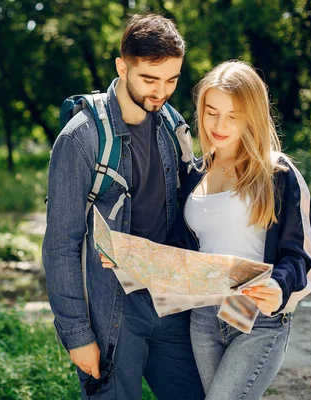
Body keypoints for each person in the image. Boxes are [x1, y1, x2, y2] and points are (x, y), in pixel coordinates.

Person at [42, 14, 204, 399]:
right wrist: (77, 335)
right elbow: (60, 245)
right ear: (122, 66)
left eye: (171, 80)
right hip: (114, 312)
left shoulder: (172, 125)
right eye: (149, 79)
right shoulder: (80, 138)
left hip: (170, 304)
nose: (160, 92)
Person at [175, 60, 311, 399]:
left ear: (251, 115)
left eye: (233, 115)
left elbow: (299, 257)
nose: (219, 125)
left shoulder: (277, 174)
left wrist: (278, 285)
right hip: (205, 317)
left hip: (258, 318)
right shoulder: (193, 174)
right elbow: (183, 250)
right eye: (211, 112)